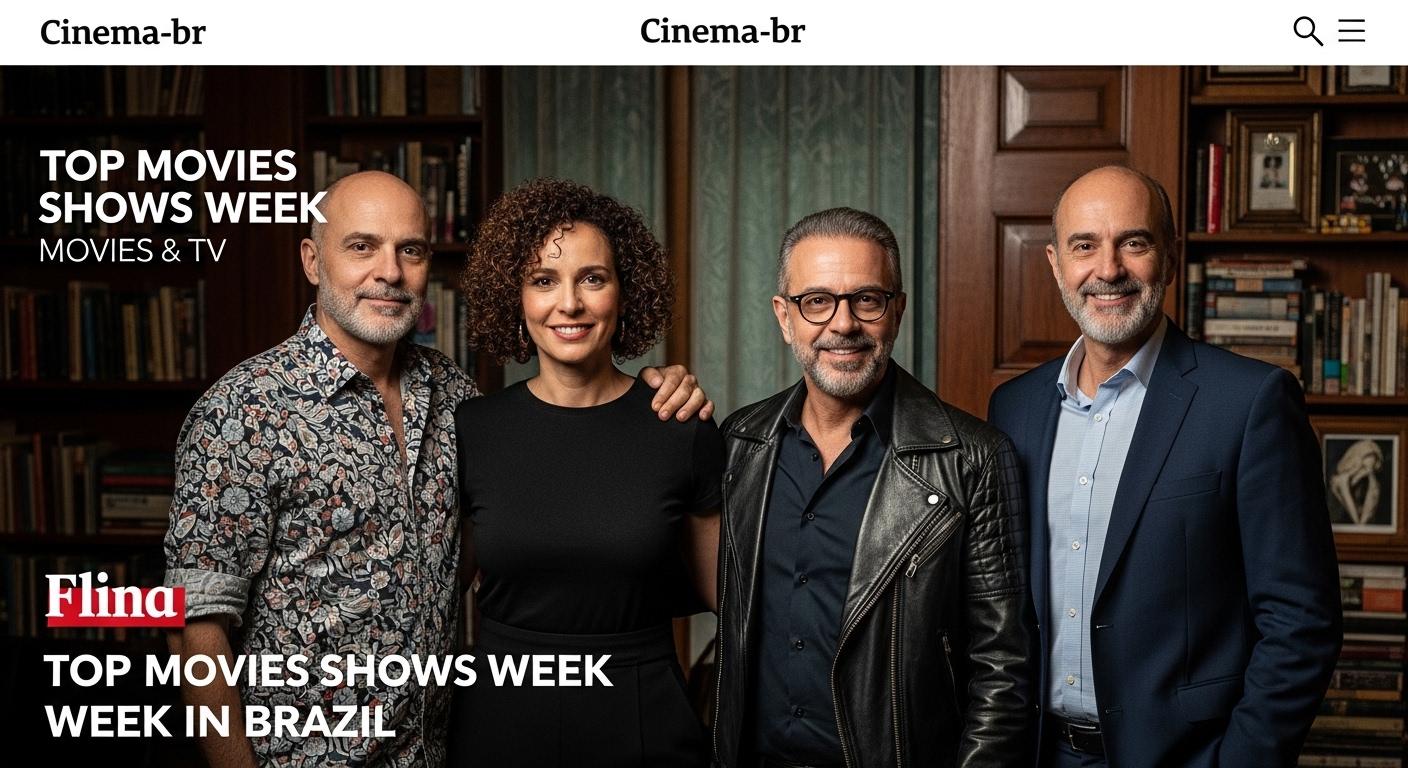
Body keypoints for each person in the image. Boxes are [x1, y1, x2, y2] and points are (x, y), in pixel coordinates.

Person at [163, 170, 710, 768]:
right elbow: (195, 626)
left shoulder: (451, 394)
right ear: (312, 261)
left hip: (435, 750)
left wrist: (661, 388)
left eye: (411, 250)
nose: (390, 272)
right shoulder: (242, 410)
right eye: (361, 246)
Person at [986, 165, 1342, 767]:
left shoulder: (1249, 403)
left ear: (1170, 258)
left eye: (1134, 242)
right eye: (1084, 246)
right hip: (1037, 753)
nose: (1109, 269)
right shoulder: (1014, 409)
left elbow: (1300, 622)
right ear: (1054, 265)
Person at [712, 207, 1035, 768]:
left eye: (867, 299)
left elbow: (1002, 670)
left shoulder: (973, 459)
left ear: (897, 311)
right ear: (784, 317)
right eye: (816, 301)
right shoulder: (741, 442)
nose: (842, 325)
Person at [449, 178, 723, 767]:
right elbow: (436, 597)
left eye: (592, 279)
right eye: (543, 281)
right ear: (516, 299)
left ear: (625, 295)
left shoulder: (680, 425)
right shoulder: (472, 430)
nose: (568, 303)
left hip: (642, 718)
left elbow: (728, 595)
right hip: (502, 717)